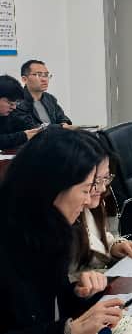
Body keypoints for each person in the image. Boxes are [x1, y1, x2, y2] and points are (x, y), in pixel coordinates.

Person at [0, 129, 125, 334]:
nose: (88, 201)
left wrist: (80, 293)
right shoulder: (9, 243)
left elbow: (52, 305)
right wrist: (68, 330)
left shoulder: (50, 231)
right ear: (52, 188)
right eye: (85, 190)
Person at [70, 152, 132, 279]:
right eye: (95, 181)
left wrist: (114, 246)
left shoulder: (93, 203)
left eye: (106, 178)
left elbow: (97, 236)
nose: (102, 188)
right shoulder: (60, 217)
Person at [13, 59, 73, 128]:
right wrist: (61, 127)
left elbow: (63, 119)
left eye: (46, 75)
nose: (44, 79)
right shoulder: (17, 102)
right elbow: (32, 128)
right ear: (24, 79)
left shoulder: (50, 99)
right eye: (39, 75)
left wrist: (65, 124)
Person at [0, 74, 43, 149]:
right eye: (10, 103)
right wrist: (23, 136)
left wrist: (39, 130)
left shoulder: (10, 114)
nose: (14, 107)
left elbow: (27, 127)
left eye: (16, 103)